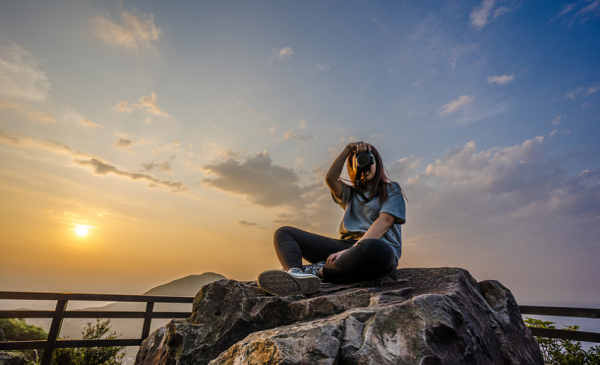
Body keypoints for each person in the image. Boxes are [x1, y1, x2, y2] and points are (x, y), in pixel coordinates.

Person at [257, 141, 406, 296]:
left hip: (375, 249)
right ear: (352, 167)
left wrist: (352, 250)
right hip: (344, 248)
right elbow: (331, 178)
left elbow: (385, 221)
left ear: (378, 164)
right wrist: (347, 149)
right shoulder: (351, 194)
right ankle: (295, 274)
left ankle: (316, 271)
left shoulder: (390, 189)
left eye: (369, 160)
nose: (365, 164)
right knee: (285, 232)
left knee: (375, 248)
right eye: (359, 161)